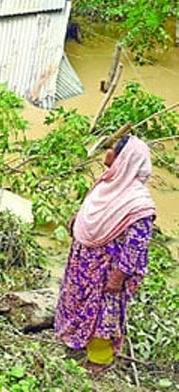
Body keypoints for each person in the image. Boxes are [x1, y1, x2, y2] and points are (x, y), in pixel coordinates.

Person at [54, 134, 157, 375]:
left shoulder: (138, 204)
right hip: (83, 261)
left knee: (103, 314)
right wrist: (76, 223)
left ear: (125, 159)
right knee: (75, 301)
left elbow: (136, 245)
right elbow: (91, 211)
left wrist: (118, 276)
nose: (106, 155)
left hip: (107, 269)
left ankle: (99, 361)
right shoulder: (107, 184)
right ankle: (74, 341)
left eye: (112, 150)